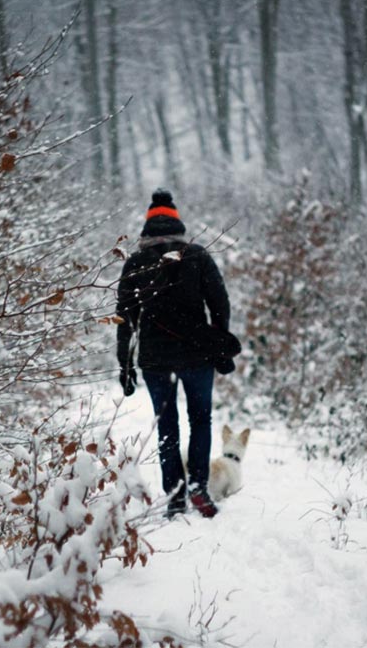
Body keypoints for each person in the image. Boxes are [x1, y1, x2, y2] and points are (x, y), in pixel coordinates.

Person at [116, 189, 233, 519]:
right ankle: (198, 487)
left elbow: (125, 318)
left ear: (146, 230)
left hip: (156, 360)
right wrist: (220, 342)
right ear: (178, 225)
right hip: (197, 356)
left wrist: (124, 364)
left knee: (167, 426)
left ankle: (175, 495)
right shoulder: (197, 256)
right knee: (200, 419)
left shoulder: (136, 263)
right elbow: (220, 304)